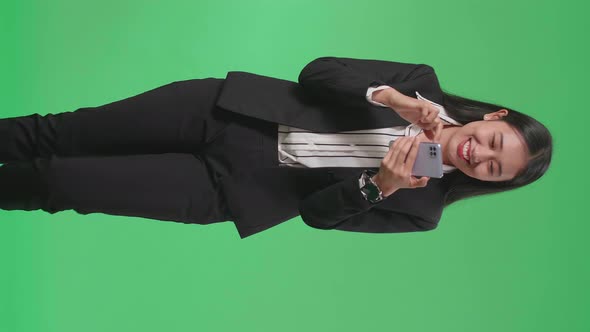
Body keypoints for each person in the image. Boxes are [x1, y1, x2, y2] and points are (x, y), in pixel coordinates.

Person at [0, 57, 553, 239]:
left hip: (233, 188)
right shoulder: (421, 82)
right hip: (226, 112)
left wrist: (376, 185)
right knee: (56, 134)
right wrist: (390, 96)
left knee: (59, 182)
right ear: (494, 116)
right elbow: (317, 73)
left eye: (494, 170)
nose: (480, 156)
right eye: (494, 143)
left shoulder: (422, 205)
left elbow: (317, 216)